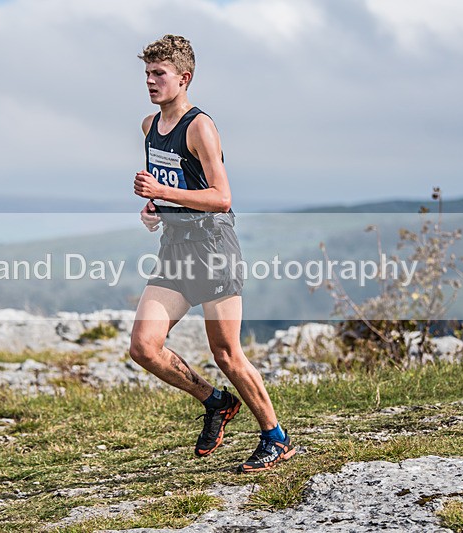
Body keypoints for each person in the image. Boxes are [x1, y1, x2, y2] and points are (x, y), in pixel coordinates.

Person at [130, 34, 295, 473]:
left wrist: (161, 192)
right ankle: (216, 402)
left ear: (183, 78)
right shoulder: (149, 126)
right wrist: (155, 207)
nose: (150, 81)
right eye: (147, 73)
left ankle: (276, 439)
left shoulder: (200, 126)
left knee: (226, 353)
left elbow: (221, 197)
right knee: (144, 347)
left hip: (213, 247)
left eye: (159, 74)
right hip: (174, 249)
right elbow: (176, 187)